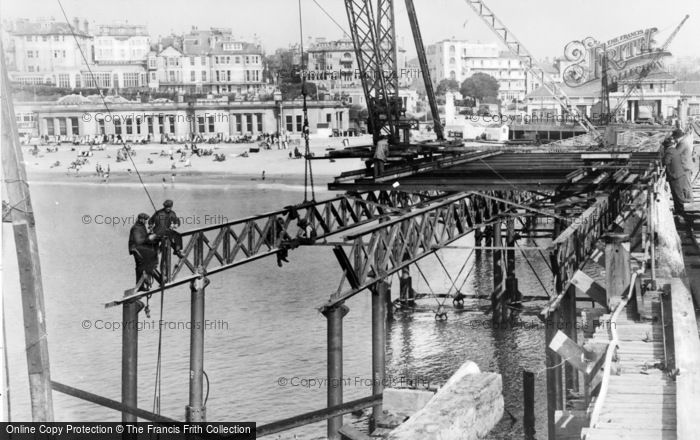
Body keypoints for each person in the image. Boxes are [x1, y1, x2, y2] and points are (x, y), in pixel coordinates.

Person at [129, 213, 160, 291]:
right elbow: (138, 240)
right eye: (145, 220)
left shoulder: (141, 226)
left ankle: (142, 285)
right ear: (140, 219)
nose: (146, 222)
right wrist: (149, 238)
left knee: (142, 266)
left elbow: (144, 237)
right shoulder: (136, 228)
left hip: (139, 248)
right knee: (141, 266)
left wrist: (150, 234)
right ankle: (142, 284)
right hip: (136, 249)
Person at [662, 137, 691, 215]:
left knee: (677, 194)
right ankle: (679, 210)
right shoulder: (674, 150)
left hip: (675, 176)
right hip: (679, 174)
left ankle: (680, 212)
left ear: (666, 146)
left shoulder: (668, 152)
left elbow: (665, 162)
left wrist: (661, 160)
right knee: (679, 194)